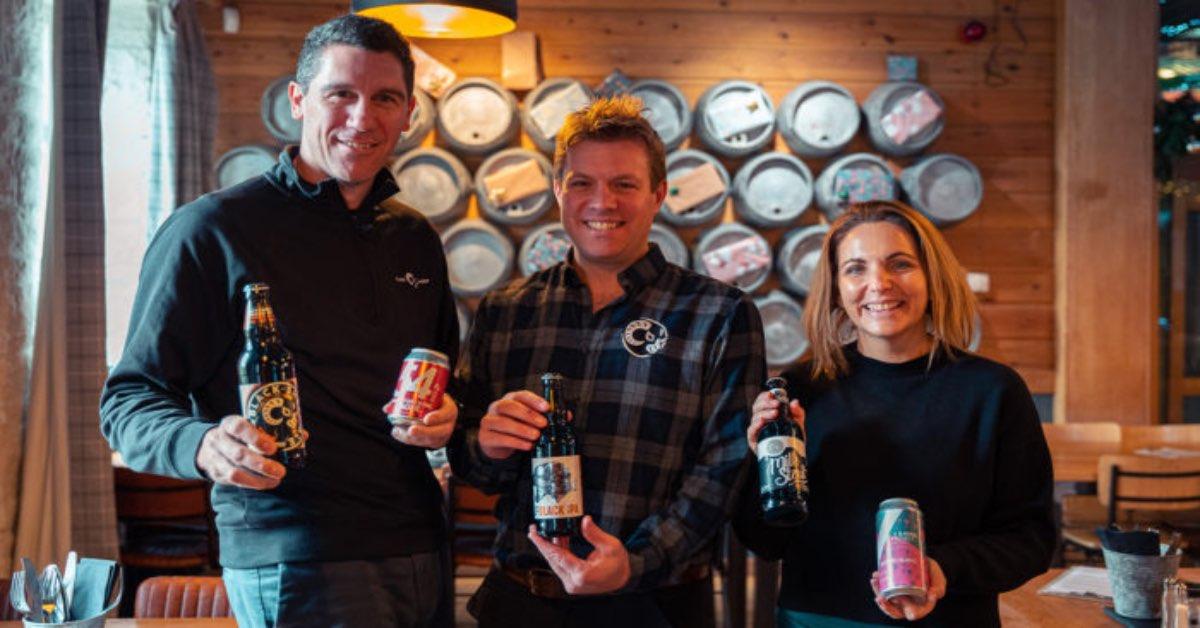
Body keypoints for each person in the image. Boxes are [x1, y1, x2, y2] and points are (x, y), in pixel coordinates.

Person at [100, 14, 459, 627]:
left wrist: (451, 413)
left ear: (406, 115)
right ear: (298, 100)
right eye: (340, 94)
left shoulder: (415, 239)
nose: (361, 118)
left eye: (385, 99)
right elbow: (128, 401)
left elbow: (449, 376)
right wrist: (203, 444)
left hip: (420, 540)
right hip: (293, 552)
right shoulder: (211, 230)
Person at [447, 96, 766, 627]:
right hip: (522, 600)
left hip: (655, 604)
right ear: (558, 191)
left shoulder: (719, 313)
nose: (602, 201)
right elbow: (471, 463)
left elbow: (725, 469)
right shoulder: (507, 311)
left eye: (624, 184)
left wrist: (634, 561)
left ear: (658, 194)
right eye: (581, 183)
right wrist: (483, 442)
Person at [734, 200, 1054, 627]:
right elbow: (763, 541)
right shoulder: (799, 392)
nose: (879, 283)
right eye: (855, 269)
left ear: (932, 276)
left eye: (900, 264)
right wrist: (763, 461)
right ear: (836, 289)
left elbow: (1031, 539)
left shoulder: (992, 391)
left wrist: (944, 569)